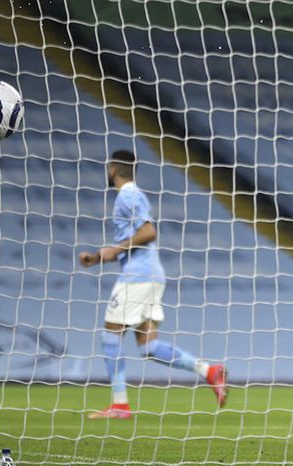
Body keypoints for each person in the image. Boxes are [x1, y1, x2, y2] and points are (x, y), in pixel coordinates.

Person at [78, 150, 227, 419]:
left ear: (112, 169)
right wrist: (100, 256)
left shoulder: (128, 195)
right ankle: (208, 370)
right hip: (148, 273)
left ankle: (120, 405)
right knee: (148, 346)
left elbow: (148, 231)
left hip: (139, 276)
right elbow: (133, 241)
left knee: (110, 335)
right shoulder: (130, 196)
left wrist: (116, 249)